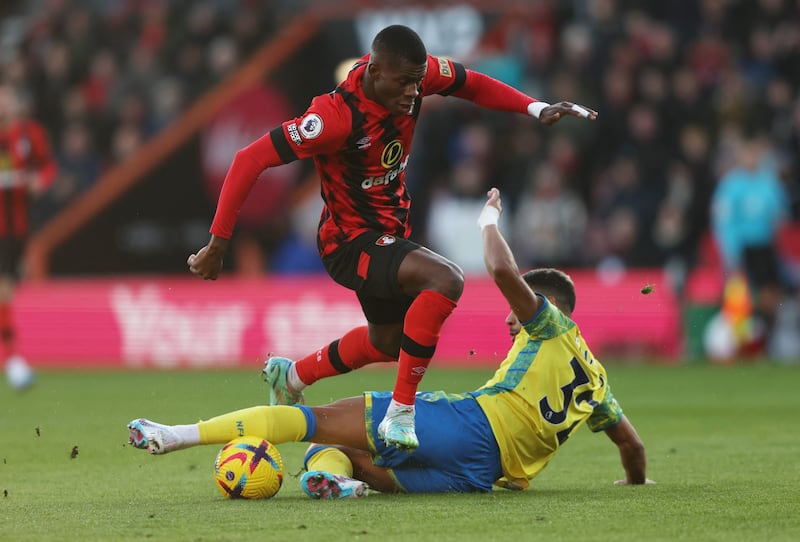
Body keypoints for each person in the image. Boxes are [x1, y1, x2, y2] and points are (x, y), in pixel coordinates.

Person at [187, 24, 597, 450]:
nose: (413, 93)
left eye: (418, 84)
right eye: (403, 84)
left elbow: (470, 83)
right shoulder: (333, 117)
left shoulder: (414, 75)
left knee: (387, 342)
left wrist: (535, 108)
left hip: (389, 233)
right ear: (375, 71)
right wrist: (218, 243)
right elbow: (248, 158)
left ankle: (291, 376)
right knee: (446, 279)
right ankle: (401, 414)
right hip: (348, 243)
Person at [129, 187, 652, 498]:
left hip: (469, 425)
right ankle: (344, 486)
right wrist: (636, 485)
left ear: (549, 306)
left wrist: (489, 217)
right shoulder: (597, 379)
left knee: (316, 419)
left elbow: (498, 267)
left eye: (522, 312)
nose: (513, 323)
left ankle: (176, 435)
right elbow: (632, 445)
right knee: (336, 451)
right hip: (482, 476)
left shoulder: (550, 324)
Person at [0, 84, 57, 389]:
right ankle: (12, 360)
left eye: (4, 98)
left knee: (6, 289)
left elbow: (48, 166)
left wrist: (41, 180)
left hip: (15, 230)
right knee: (4, 289)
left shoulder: (28, 134)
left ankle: (12, 359)